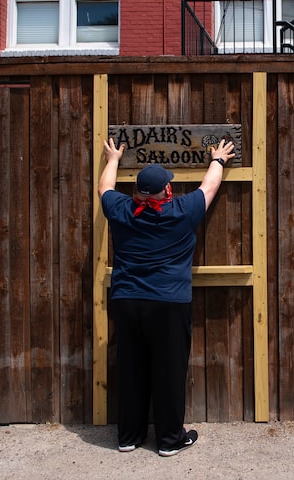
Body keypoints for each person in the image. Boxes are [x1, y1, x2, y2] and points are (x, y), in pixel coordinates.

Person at [98, 136, 236, 457]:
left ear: (138, 192)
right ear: (166, 191)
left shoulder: (121, 210)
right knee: (168, 370)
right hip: (169, 304)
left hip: (127, 301)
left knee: (131, 368)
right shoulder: (181, 211)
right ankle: (169, 440)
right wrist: (217, 159)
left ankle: (129, 437)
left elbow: (104, 188)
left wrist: (113, 159)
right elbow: (209, 188)